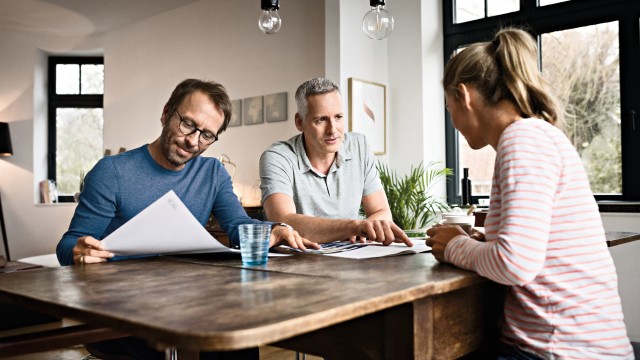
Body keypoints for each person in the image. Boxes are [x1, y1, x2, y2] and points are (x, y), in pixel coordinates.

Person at [56, 78, 318, 360]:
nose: (193, 141)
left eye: (206, 135)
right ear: (166, 113)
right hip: (121, 307)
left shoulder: (213, 173)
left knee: (236, 339)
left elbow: (237, 226)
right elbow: (68, 244)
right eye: (188, 124)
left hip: (187, 301)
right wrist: (79, 251)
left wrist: (274, 229)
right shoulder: (113, 172)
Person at [427, 28, 633, 359]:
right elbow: (530, 246)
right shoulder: (535, 136)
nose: (451, 119)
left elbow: (515, 263)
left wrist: (453, 245)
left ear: (463, 95)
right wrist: (480, 240)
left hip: (560, 349)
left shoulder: (522, 141)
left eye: (448, 106)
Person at [259, 77, 411, 246]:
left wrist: (363, 228)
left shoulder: (359, 146)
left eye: (338, 117)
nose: (333, 130)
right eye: (321, 120)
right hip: (298, 263)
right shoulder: (277, 157)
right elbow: (284, 222)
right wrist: (354, 226)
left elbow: (381, 212)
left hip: (352, 259)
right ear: (299, 122)